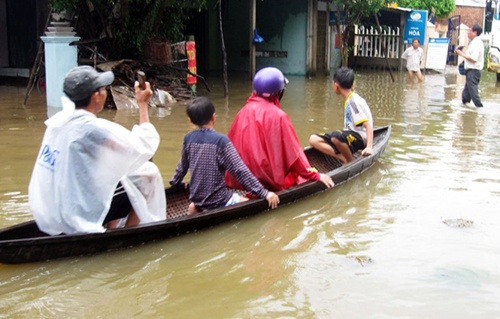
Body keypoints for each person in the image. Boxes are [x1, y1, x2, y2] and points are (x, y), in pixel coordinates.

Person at [29, 66, 166, 235]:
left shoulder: (57, 122)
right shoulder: (91, 128)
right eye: (103, 89)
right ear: (96, 96)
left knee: (112, 170)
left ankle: (111, 226)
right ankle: (128, 234)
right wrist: (143, 104)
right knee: (148, 176)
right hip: (75, 212)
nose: (105, 93)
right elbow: (144, 146)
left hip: (52, 212)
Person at [225, 67, 334, 192]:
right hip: (264, 180)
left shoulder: (244, 111)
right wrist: (315, 175)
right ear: (278, 93)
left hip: (241, 179)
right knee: (296, 176)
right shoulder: (279, 116)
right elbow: (294, 155)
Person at [169, 97, 279, 215]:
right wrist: (264, 193)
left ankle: (197, 208)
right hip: (218, 200)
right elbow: (239, 170)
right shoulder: (220, 141)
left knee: (194, 206)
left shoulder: (188, 138)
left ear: (191, 121)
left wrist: (176, 182)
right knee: (250, 205)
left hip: (196, 199)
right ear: (213, 117)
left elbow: (182, 167)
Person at [309, 67, 373, 165]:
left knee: (336, 136)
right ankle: (344, 158)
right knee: (313, 139)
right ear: (352, 84)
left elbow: (368, 126)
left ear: (336, 85)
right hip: (349, 135)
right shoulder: (349, 99)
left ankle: (350, 162)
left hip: (360, 137)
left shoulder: (353, 102)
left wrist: (369, 147)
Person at [456, 23, 484, 107]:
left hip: (473, 71)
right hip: (471, 71)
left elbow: (473, 59)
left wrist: (461, 54)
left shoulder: (476, 43)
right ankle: (466, 112)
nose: (468, 33)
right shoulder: (474, 42)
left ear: (475, 32)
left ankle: (480, 108)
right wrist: (463, 53)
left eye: (470, 31)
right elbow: (471, 57)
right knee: (465, 95)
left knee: (473, 94)